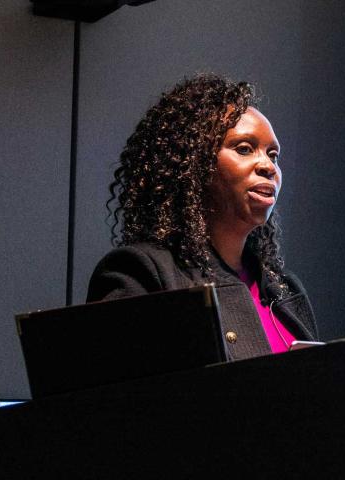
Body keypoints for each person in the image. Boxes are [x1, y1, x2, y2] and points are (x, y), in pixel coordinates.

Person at [87, 73, 319, 360]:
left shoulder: (284, 288)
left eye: (273, 155)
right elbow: (115, 400)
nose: (267, 166)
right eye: (244, 149)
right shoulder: (143, 273)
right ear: (193, 165)